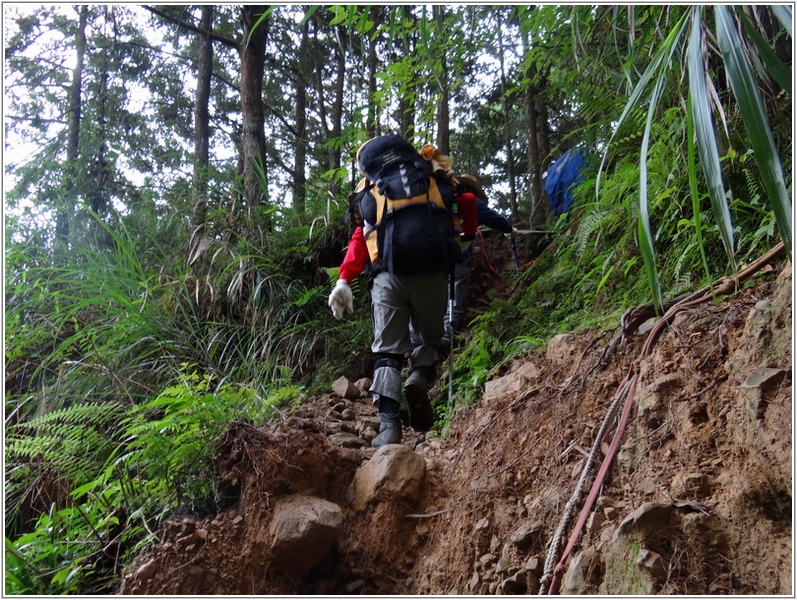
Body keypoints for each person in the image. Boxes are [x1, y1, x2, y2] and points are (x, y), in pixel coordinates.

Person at [328, 135, 477, 448]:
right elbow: (467, 203)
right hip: (434, 273)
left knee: (388, 351)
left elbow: (361, 236)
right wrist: (465, 239)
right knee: (428, 339)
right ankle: (419, 378)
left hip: (388, 277)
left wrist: (344, 280)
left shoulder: (372, 190)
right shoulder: (432, 178)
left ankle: (389, 427)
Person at [410, 173, 514, 349]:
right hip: (458, 256)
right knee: (455, 296)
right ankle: (445, 336)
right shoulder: (468, 200)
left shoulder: (438, 198)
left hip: (432, 257)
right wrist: (509, 228)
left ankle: (421, 342)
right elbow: (491, 218)